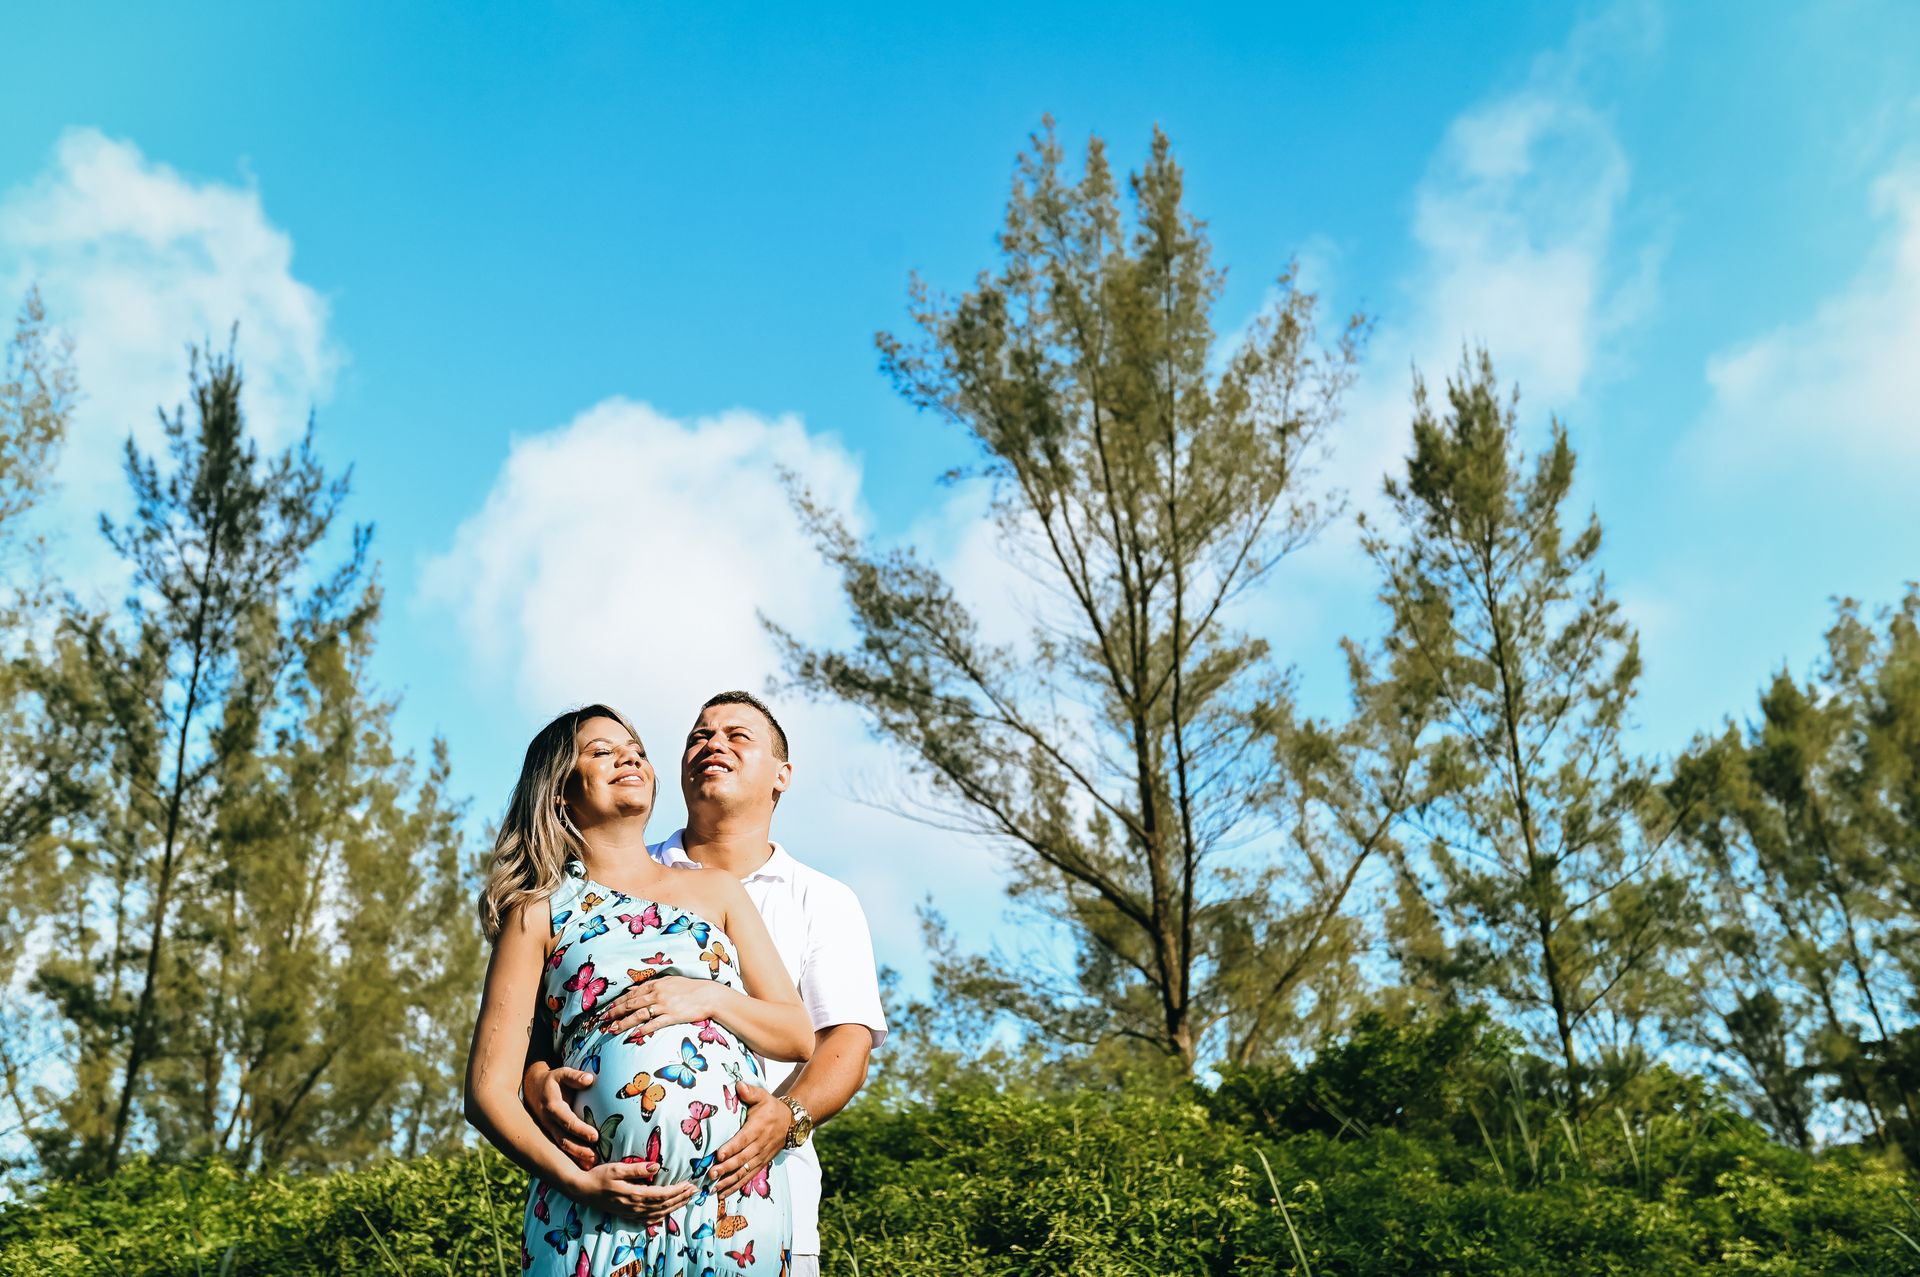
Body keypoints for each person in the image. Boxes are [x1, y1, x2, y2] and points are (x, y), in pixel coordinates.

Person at [526, 691, 887, 1277]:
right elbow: (546, 1016)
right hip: (604, 1201)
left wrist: (788, 1115)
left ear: (782, 776)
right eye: (699, 735)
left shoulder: (821, 898)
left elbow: (845, 1044)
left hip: (755, 1202)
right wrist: (537, 1076)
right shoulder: (608, 875)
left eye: (737, 736)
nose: (712, 743)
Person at [465, 703, 814, 1277]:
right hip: (594, 1212)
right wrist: (579, 1182)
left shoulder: (719, 891)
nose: (629, 756)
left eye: (637, 750)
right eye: (601, 750)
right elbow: (486, 1091)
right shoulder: (536, 912)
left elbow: (797, 1035)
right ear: (559, 793)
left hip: (732, 1204)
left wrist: (706, 998)